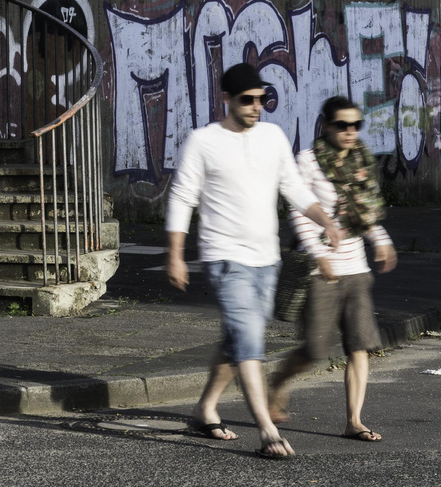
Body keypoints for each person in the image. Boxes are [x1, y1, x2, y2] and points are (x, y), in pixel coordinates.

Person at [165, 62, 343, 461]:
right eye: (247, 99)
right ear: (225, 99)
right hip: (224, 258)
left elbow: (293, 188)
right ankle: (267, 429)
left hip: (268, 259)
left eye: (262, 99)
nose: (256, 106)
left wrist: (326, 222)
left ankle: (204, 408)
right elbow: (182, 198)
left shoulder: (273, 137)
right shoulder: (203, 141)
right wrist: (175, 255)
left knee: (237, 337)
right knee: (249, 338)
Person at [268, 96, 398, 442]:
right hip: (320, 270)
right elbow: (299, 209)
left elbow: (365, 213)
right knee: (314, 350)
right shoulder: (308, 161)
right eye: (342, 124)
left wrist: (381, 240)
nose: (350, 131)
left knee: (359, 345)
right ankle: (278, 381)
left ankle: (354, 420)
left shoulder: (360, 160)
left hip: (355, 267)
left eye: (356, 125)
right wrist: (317, 253)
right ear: (326, 125)